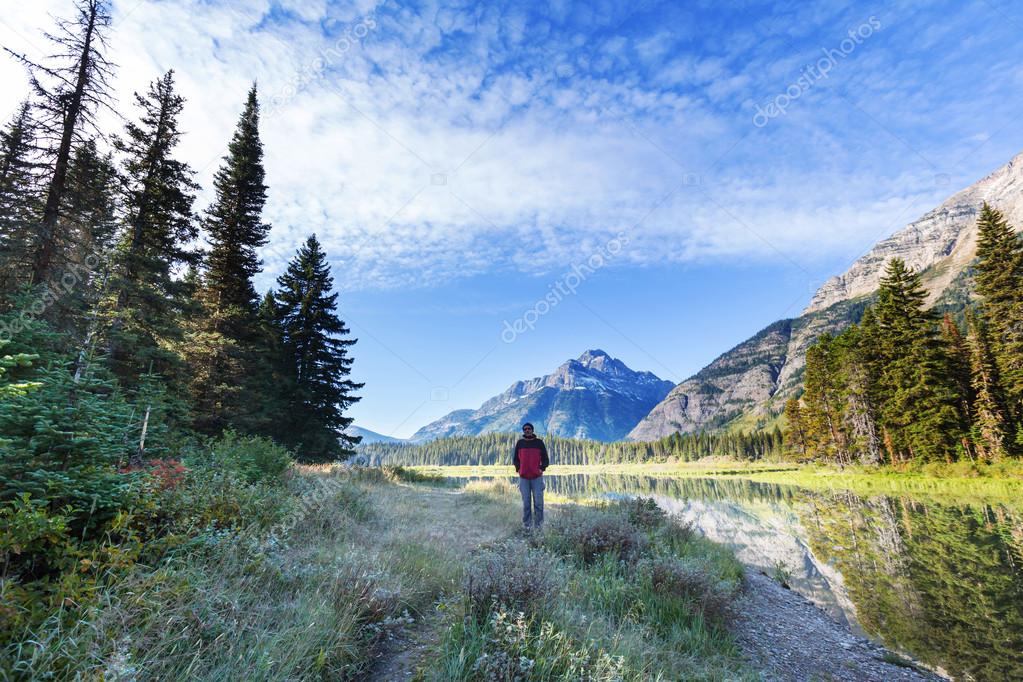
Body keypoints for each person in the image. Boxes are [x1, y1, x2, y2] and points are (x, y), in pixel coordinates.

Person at [512, 422, 549, 530]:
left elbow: (546, 459)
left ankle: (539, 526)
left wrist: (541, 468)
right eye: (525, 429)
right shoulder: (520, 443)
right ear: (523, 431)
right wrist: (519, 469)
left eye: (529, 429)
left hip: (537, 477)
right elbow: (515, 459)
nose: (527, 430)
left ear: (532, 430)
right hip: (524, 478)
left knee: (538, 503)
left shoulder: (539, 443)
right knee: (526, 504)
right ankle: (527, 526)